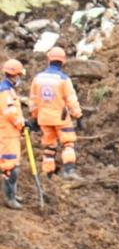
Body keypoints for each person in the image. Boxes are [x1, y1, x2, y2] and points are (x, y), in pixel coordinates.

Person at [29, 46, 83, 179]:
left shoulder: (38, 78)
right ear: (63, 62)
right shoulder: (63, 79)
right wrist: (78, 116)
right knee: (68, 143)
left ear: (49, 60)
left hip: (44, 118)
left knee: (49, 145)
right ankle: (69, 171)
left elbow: (33, 100)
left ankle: (48, 173)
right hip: (60, 118)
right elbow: (71, 99)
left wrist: (35, 117)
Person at [1, 58, 25, 209]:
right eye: (19, 75)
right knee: (10, 167)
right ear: (15, 75)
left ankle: (12, 194)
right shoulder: (4, 91)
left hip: (11, 134)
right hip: (6, 134)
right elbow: (10, 113)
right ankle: (9, 198)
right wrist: (21, 124)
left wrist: (23, 122)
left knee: (13, 165)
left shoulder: (9, 90)